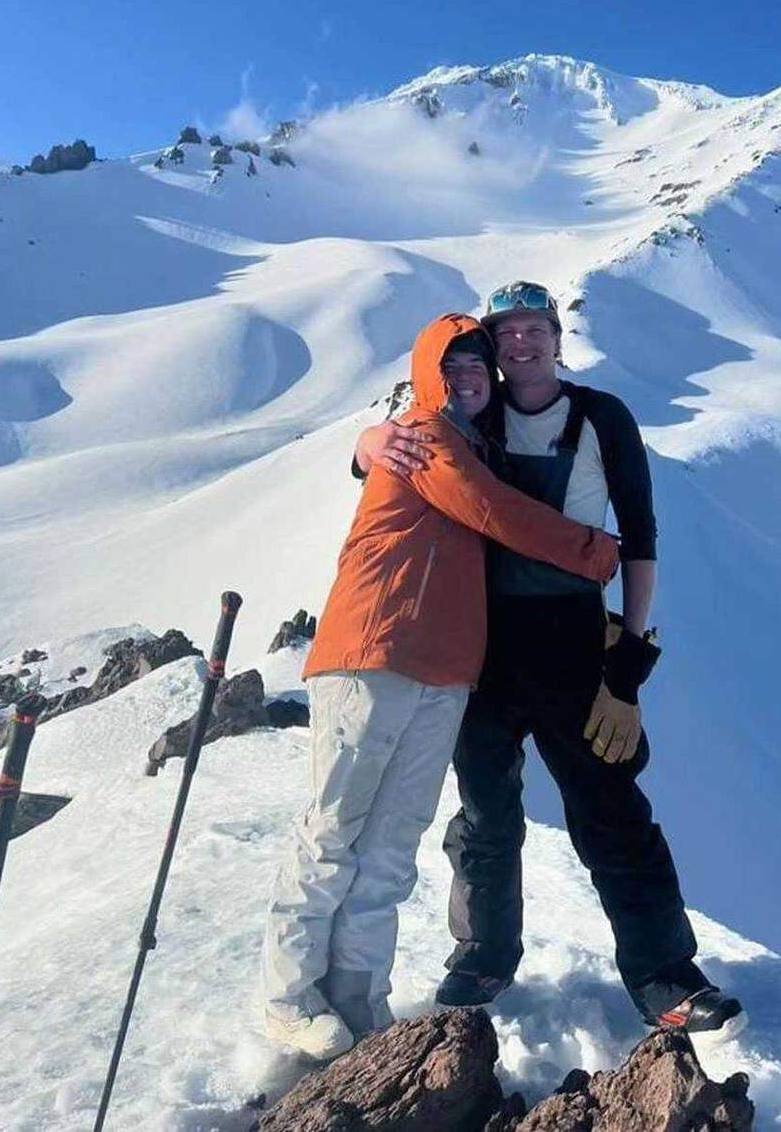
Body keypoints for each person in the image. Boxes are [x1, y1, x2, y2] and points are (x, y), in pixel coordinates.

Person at [353, 282, 746, 1039]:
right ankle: (483, 954)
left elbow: (640, 537)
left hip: (572, 643)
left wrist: (630, 657)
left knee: (610, 807)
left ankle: (664, 971)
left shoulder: (602, 417)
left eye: (536, 330)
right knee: (486, 810)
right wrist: (367, 442)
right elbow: (405, 443)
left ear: (558, 339)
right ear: (495, 350)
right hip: (482, 641)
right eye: (508, 334)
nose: (522, 345)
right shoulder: (477, 415)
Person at [262, 312, 619, 1061]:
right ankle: (289, 998)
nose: (467, 378)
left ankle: (359, 999)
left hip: (445, 669)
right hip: (375, 649)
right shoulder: (424, 434)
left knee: (391, 844)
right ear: (428, 373)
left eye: (477, 367)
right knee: (334, 832)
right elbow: (495, 511)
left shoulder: (472, 443)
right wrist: (593, 551)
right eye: (452, 365)